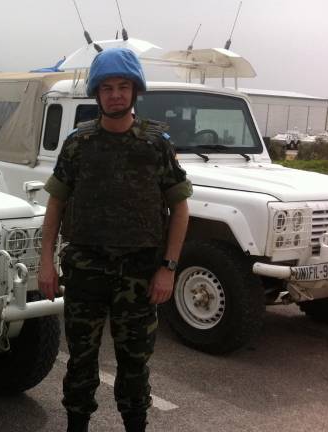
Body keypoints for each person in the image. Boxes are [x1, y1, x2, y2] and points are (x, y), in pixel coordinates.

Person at [38, 47, 192, 432]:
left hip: (140, 274)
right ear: (96, 93)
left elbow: (181, 209)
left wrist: (168, 269)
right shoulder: (78, 143)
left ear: (135, 90)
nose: (116, 94)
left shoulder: (156, 145)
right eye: (107, 87)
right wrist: (45, 263)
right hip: (86, 269)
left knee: (135, 364)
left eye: (124, 86)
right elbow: (56, 205)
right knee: (80, 362)